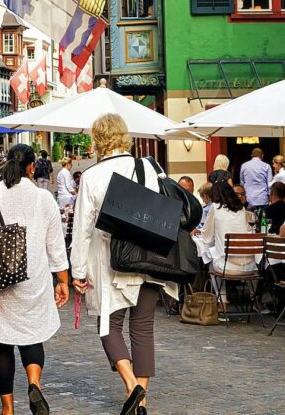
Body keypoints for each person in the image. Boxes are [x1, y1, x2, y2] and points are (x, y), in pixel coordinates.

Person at [70, 113, 176, 415]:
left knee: (109, 325)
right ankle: (141, 401)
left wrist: (77, 271)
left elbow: (82, 229)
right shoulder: (150, 167)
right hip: (150, 256)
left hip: (110, 260)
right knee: (143, 328)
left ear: (98, 140)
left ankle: (132, 386)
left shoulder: (92, 176)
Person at [0, 144, 68, 415]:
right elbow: (56, 245)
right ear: (32, 167)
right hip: (33, 278)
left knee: (1, 343)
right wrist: (63, 280)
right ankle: (34, 383)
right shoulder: (44, 198)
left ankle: (8, 408)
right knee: (32, 336)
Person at [199, 179, 256, 287]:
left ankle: (222, 300)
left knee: (211, 259)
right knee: (218, 255)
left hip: (227, 267)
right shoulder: (241, 209)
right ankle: (253, 296)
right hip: (249, 267)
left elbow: (207, 237)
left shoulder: (215, 207)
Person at [239, 148, 271, 215]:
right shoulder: (266, 166)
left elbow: (242, 183)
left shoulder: (244, 166)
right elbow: (269, 184)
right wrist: (270, 198)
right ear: (262, 155)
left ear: (251, 155)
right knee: (262, 220)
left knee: (249, 220)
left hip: (248, 198)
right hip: (262, 198)